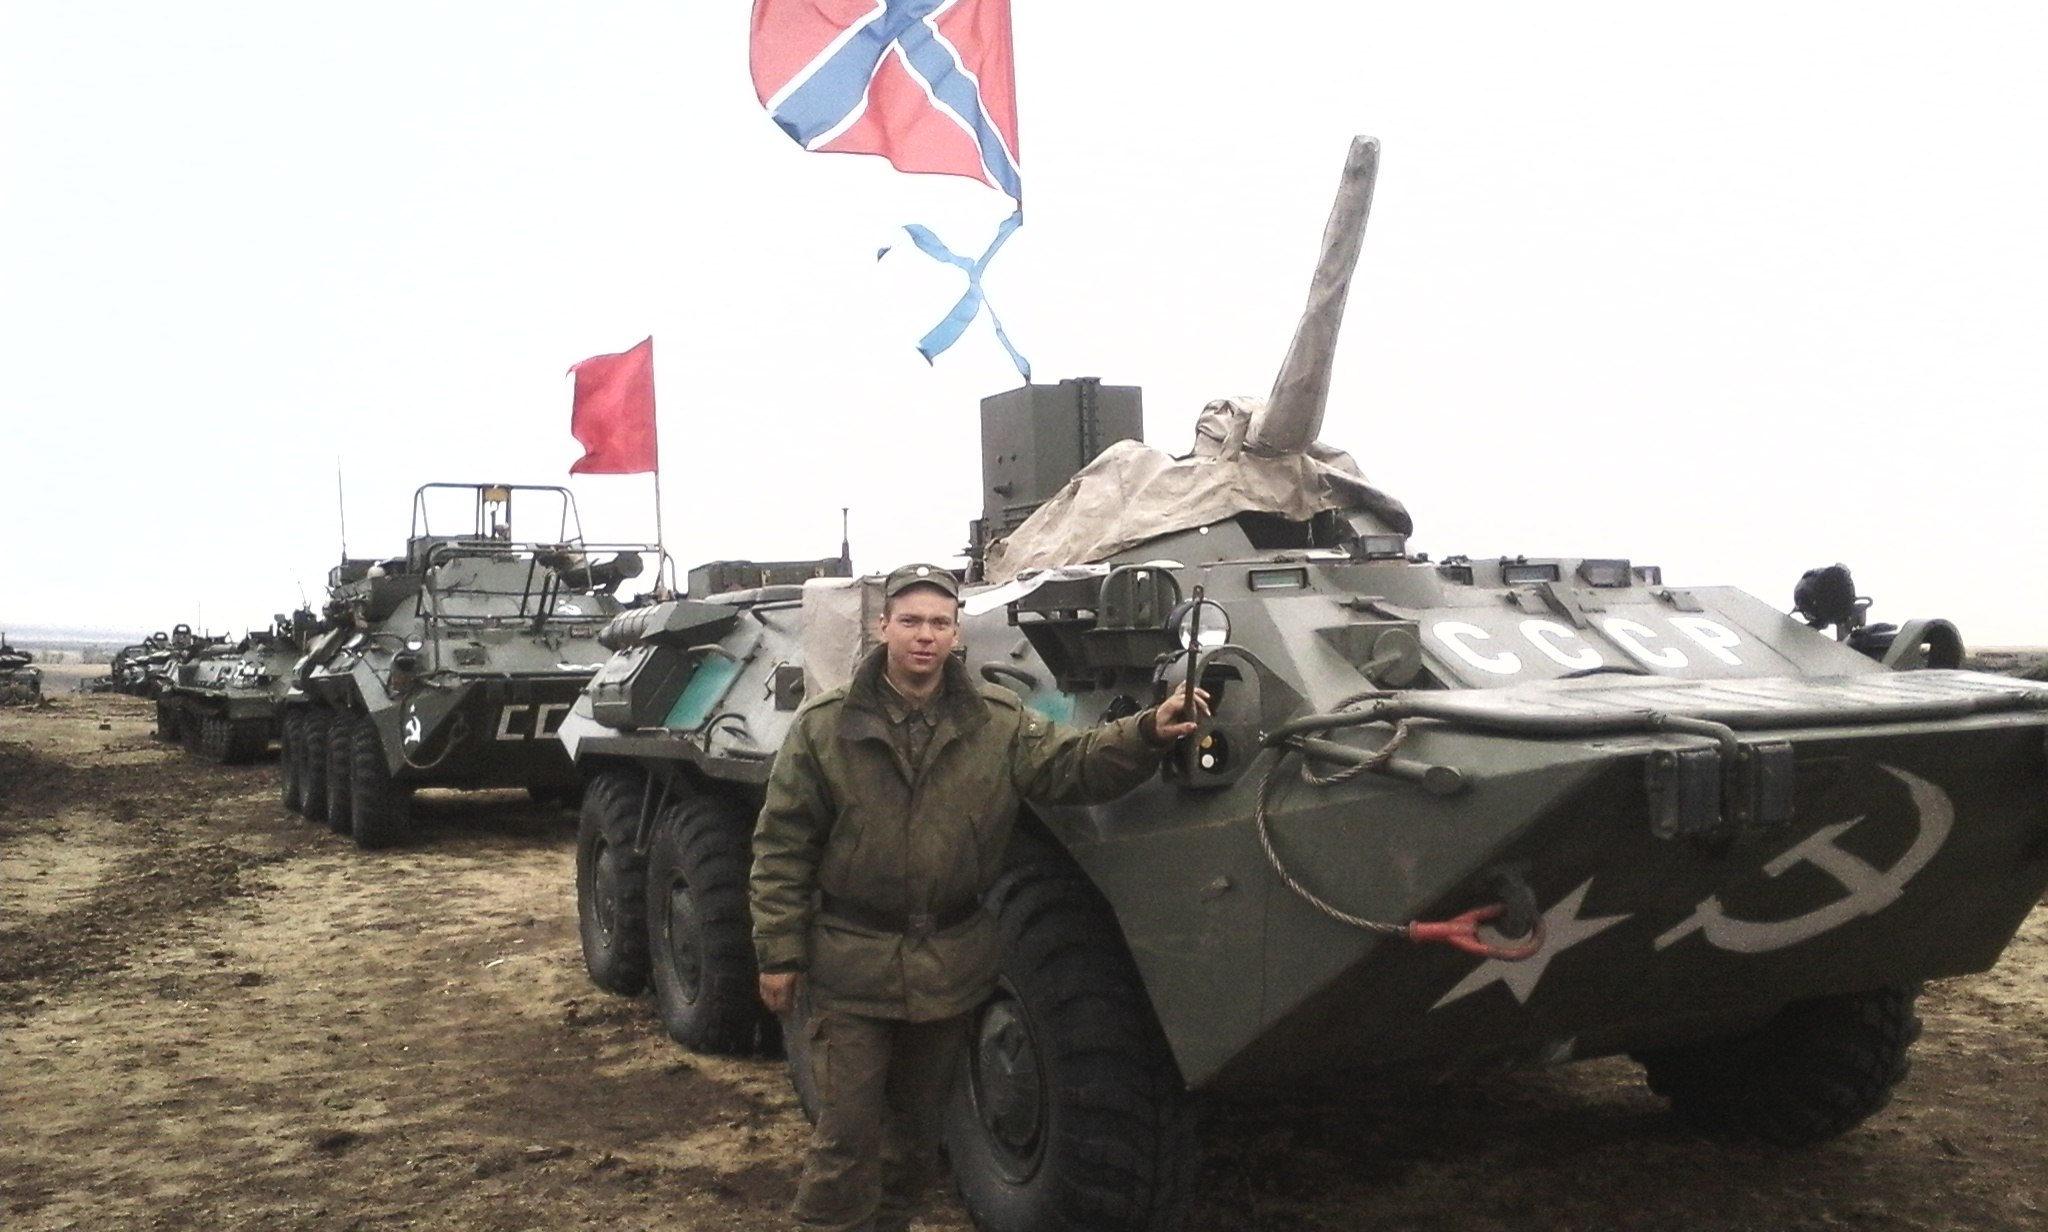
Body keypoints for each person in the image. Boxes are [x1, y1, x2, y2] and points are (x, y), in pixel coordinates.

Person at [750, 562, 1207, 1232]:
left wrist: (1144, 730)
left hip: (948, 962)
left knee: (914, 1139)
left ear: (957, 631)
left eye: (939, 622)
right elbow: (783, 843)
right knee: (846, 1139)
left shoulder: (995, 721)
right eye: (910, 621)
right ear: (884, 628)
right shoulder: (826, 727)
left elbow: (1072, 764)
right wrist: (778, 951)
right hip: (854, 962)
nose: (924, 636)